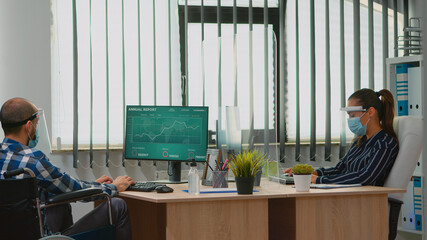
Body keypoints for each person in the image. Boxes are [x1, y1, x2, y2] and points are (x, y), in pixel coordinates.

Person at [0, 98, 135, 239]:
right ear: (28, 126)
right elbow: (73, 189)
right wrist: (114, 187)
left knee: (61, 204)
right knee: (118, 205)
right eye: (36, 124)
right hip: (39, 236)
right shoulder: (34, 161)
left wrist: (94, 186)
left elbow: (25, 200)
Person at [285, 88, 399, 186]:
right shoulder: (359, 142)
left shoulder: (384, 144)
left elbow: (365, 177)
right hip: (347, 196)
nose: (350, 120)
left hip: (364, 202)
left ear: (370, 112)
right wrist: (312, 173)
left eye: (352, 115)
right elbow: (339, 169)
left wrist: (320, 180)